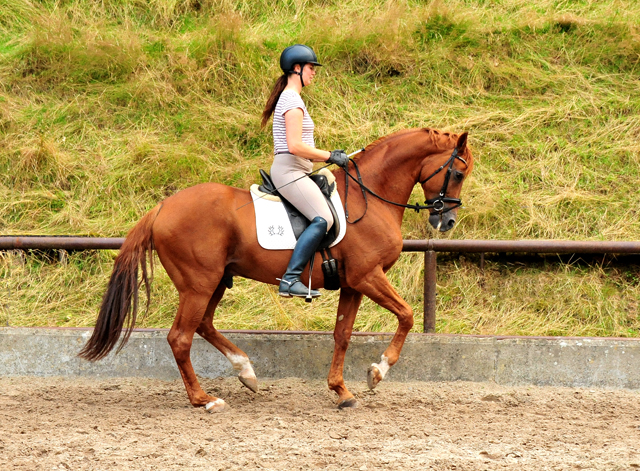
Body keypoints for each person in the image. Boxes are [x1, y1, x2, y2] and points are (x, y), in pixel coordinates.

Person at [261, 44, 348, 298]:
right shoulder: (291, 99)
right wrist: (329, 156)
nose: (314, 73)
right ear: (296, 69)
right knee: (324, 219)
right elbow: (295, 145)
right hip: (289, 172)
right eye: (311, 68)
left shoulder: (291, 98)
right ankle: (290, 278)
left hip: (297, 170)